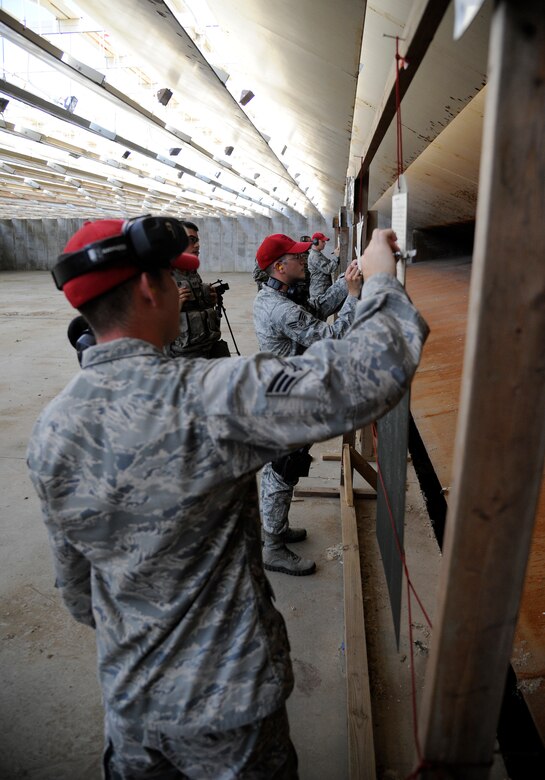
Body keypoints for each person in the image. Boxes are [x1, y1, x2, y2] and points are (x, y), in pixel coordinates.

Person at [27, 216, 428, 779]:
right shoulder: (207, 396)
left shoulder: (51, 430)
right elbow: (372, 373)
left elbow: (78, 595)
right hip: (228, 711)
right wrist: (382, 282)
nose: (181, 291)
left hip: (131, 709)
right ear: (149, 289)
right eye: (173, 279)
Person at [252, 233, 363, 576]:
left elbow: (315, 311)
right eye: (297, 257)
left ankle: (277, 529)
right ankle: (272, 546)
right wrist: (356, 299)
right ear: (280, 266)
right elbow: (330, 337)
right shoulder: (281, 309)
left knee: (284, 466)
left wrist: (344, 284)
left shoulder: (278, 295)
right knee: (283, 469)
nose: (305, 260)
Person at [168, 220, 230, 358]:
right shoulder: (162, 277)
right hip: (183, 359)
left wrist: (208, 300)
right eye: (191, 240)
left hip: (208, 350)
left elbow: (194, 310)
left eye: (197, 240)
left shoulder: (192, 273)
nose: (197, 245)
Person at [307, 231, 340, 300]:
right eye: (323, 241)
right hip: (318, 292)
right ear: (315, 242)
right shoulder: (314, 256)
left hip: (322, 290)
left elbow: (327, 265)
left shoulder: (318, 254)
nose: (325, 243)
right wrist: (336, 257)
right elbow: (328, 269)